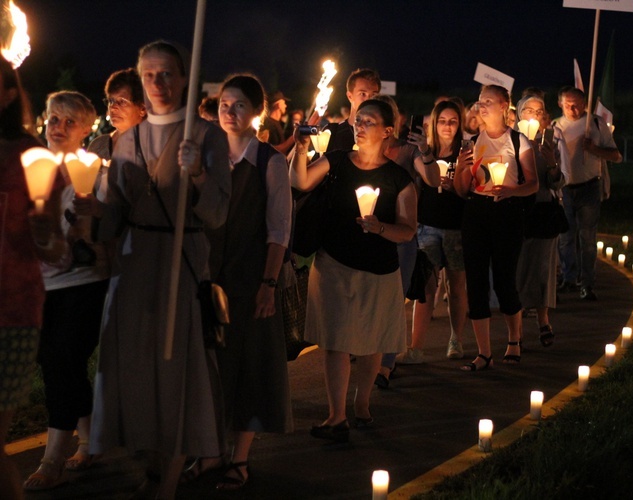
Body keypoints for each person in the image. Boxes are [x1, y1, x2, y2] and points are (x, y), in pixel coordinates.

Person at [86, 40, 231, 500]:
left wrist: (201, 176)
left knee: (175, 373)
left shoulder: (206, 137)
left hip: (179, 264)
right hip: (133, 268)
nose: (158, 83)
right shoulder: (125, 140)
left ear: (183, 78)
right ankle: (151, 469)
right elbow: (113, 213)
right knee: (135, 372)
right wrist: (87, 202)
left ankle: (166, 484)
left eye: (167, 74)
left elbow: (217, 214)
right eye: (149, 75)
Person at [183, 74, 293, 490]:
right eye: (225, 104)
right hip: (208, 277)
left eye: (240, 105)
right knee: (209, 369)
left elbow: (278, 229)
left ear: (257, 112)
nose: (230, 112)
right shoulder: (207, 160)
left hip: (250, 279)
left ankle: (240, 457)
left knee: (250, 366)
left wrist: (268, 282)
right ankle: (210, 453)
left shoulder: (269, 161)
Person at [290, 99, 416, 441]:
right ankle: (336, 415)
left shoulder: (399, 179)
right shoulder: (336, 161)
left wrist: (378, 228)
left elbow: (407, 230)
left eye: (369, 121)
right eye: (358, 120)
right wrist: (300, 149)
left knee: (372, 341)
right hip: (332, 264)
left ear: (388, 131)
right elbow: (300, 182)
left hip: (378, 270)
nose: (359, 126)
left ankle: (362, 403)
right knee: (334, 342)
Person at [22, 91, 111, 492]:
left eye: (69, 122)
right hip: (38, 285)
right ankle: (91, 442)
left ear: (87, 128)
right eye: (53, 119)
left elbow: (105, 236)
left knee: (62, 359)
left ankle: (52, 459)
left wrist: (88, 226)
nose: (58, 127)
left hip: (81, 284)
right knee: (57, 362)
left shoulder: (94, 174)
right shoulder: (28, 167)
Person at [0, 56, 64, 500]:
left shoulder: (30, 156)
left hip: (11, 311)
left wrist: (45, 234)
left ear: (7, 93)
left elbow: (57, 249)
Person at [453, 85, 538, 370]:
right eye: (480, 101)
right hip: (476, 211)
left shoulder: (518, 141)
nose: (482, 105)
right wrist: (463, 168)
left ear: (505, 106)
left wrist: (512, 191)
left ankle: (514, 340)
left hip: (507, 212)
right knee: (475, 281)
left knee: (504, 279)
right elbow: (461, 190)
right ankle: (484, 353)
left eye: (489, 101)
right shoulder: (472, 143)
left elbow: (533, 183)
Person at [370, 95, 439, 383]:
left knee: (394, 301)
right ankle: (367, 354)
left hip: (400, 238)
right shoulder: (359, 151)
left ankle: (386, 363)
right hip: (368, 236)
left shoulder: (408, 153)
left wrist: (425, 150)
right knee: (369, 299)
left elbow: (433, 180)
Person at [403, 99, 469, 362]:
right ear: (434, 123)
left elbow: (470, 189)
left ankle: (456, 340)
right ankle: (416, 347)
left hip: (456, 226)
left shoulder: (465, 151)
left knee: (456, 287)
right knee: (426, 287)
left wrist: (456, 183)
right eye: (442, 120)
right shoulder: (424, 151)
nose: (447, 126)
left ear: (460, 124)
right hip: (427, 223)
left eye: (453, 121)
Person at [555, 86, 622, 300]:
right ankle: (568, 278)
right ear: (560, 104)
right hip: (565, 188)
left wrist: (594, 149)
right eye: (568, 105)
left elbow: (616, 156)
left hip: (589, 187)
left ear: (585, 104)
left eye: (577, 105)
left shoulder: (595, 124)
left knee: (587, 238)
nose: (573, 109)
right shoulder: (555, 126)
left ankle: (587, 283)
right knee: (565, 238)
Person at [514, 95, 568, 346]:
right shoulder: (509, 140)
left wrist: (552, 163)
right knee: (519, 268)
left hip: (543, 211)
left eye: (539, 111)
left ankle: (543, 320)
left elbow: (558, 182)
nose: (533, 115)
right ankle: (517, 330)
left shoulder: (548, 141)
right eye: (528, 110)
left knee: (544, 269)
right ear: (518, 114)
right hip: (516, 211)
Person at [88, 68, 147, 161]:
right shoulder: (98, 146)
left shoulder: (154, 148)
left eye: (122, 102)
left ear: (143, 109)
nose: (112, 107)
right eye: (111, 101)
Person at [323, 68, 380, 152]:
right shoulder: (333, 133)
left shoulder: (381, 135)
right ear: (350, 96)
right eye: (363, 94)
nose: (369, 99)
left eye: (374, 95)